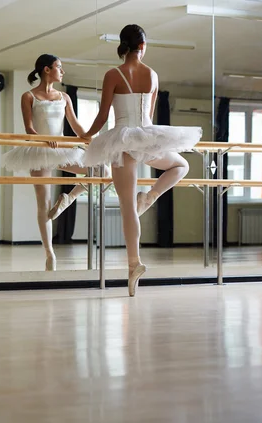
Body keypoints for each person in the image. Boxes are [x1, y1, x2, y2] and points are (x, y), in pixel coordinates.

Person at [48, 24, 202, 296]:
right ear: (142, 46)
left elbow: (102, 116)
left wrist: (86, 134)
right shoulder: (152, 75)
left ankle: (135, 263)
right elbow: (149, 117)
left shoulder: (113, 74)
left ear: (123, 46)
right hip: (144, 135)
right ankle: (151, 197)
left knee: (127, 206)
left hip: (120, 140)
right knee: (182, 165)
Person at [2, 54, 108, 271]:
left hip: (61, 150)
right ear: (47, 69)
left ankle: (69, 198)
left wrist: (93, 139)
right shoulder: (29, 96)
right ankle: (49, 254)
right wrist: (41, 138)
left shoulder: (65, 97)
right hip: (39, 150)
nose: (63, 71)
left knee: (102, 169)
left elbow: (76, 127)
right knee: (43, 202)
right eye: (59, 67)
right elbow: (29, 129)